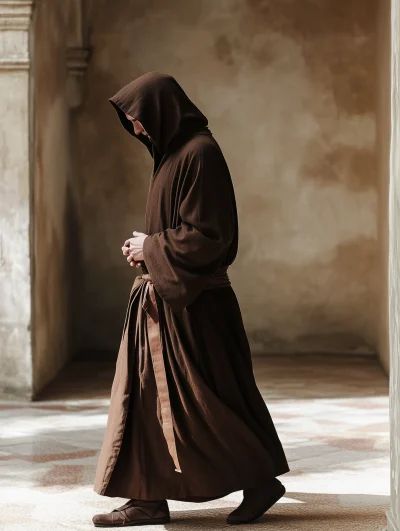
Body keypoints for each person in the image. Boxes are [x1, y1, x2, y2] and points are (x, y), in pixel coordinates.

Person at [92, 72, 289, 528]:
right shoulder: (171, 157)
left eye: (138, 119)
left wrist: (152, 249)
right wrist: (146, 249)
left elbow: (211, 236)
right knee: (142, 399)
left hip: (195, 308)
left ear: (163, 110)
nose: (136, 128)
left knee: (210, 402)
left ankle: (259, 480)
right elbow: (180, 229)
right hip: (163, 300)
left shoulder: (200, 154)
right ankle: (147, 497)